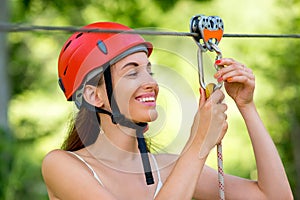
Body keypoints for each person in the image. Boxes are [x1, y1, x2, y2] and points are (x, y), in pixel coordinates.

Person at [42, 21, 293, 200]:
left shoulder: (167, 168)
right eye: (132, 72)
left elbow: (276, 197)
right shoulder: (62, 166)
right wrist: (198, 144)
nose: (150, 82)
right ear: (93, 95)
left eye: (149, 70)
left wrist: (246, 105)